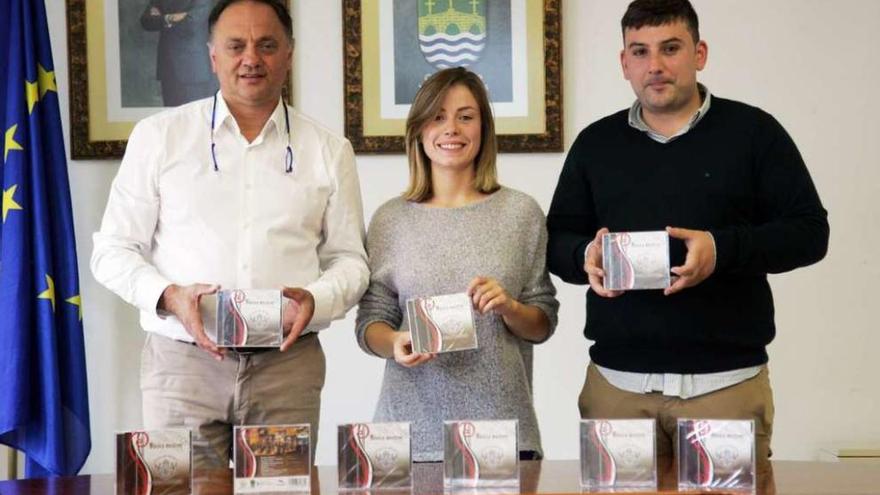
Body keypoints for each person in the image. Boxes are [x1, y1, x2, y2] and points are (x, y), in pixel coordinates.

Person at [546, 0, 829, 474]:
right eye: (639, 51)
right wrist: (584, 256)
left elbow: (810, 232)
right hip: (617, 391)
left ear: (699, 53)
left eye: (670, 48)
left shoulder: (755, 133)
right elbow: (556, 240)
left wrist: (721, 250)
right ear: (624, 63)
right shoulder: (595, 144)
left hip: (726, 390)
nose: (654, 65)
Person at [92, 0, 368, 468]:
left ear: (289, 53)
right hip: (182, 365)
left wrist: (315, 300)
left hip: (286, 366)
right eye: (236, 45)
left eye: (266, 45)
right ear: (212, 55)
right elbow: (112, 251)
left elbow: (351, 261)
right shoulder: (159, 137)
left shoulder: (328, 149)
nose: (251, 59)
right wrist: (170, 295)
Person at [355, 67, 559, 462]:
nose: (452, 129)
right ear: (418, 130)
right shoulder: (389, 219)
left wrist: (510, 308)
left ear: (483, 128)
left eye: (466, 116)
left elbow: (542, 322)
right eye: (437, 116)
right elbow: (370, 323)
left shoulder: (521, 212)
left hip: (501, 433)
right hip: (408, 435)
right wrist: (395, 343)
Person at [140, 0, 218, 106]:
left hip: (193, 69)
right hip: (168, 68)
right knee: (171, 116)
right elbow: (146, 21)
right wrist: (169, 18)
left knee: (195, 117)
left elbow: (192, 23)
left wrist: (162, 18)